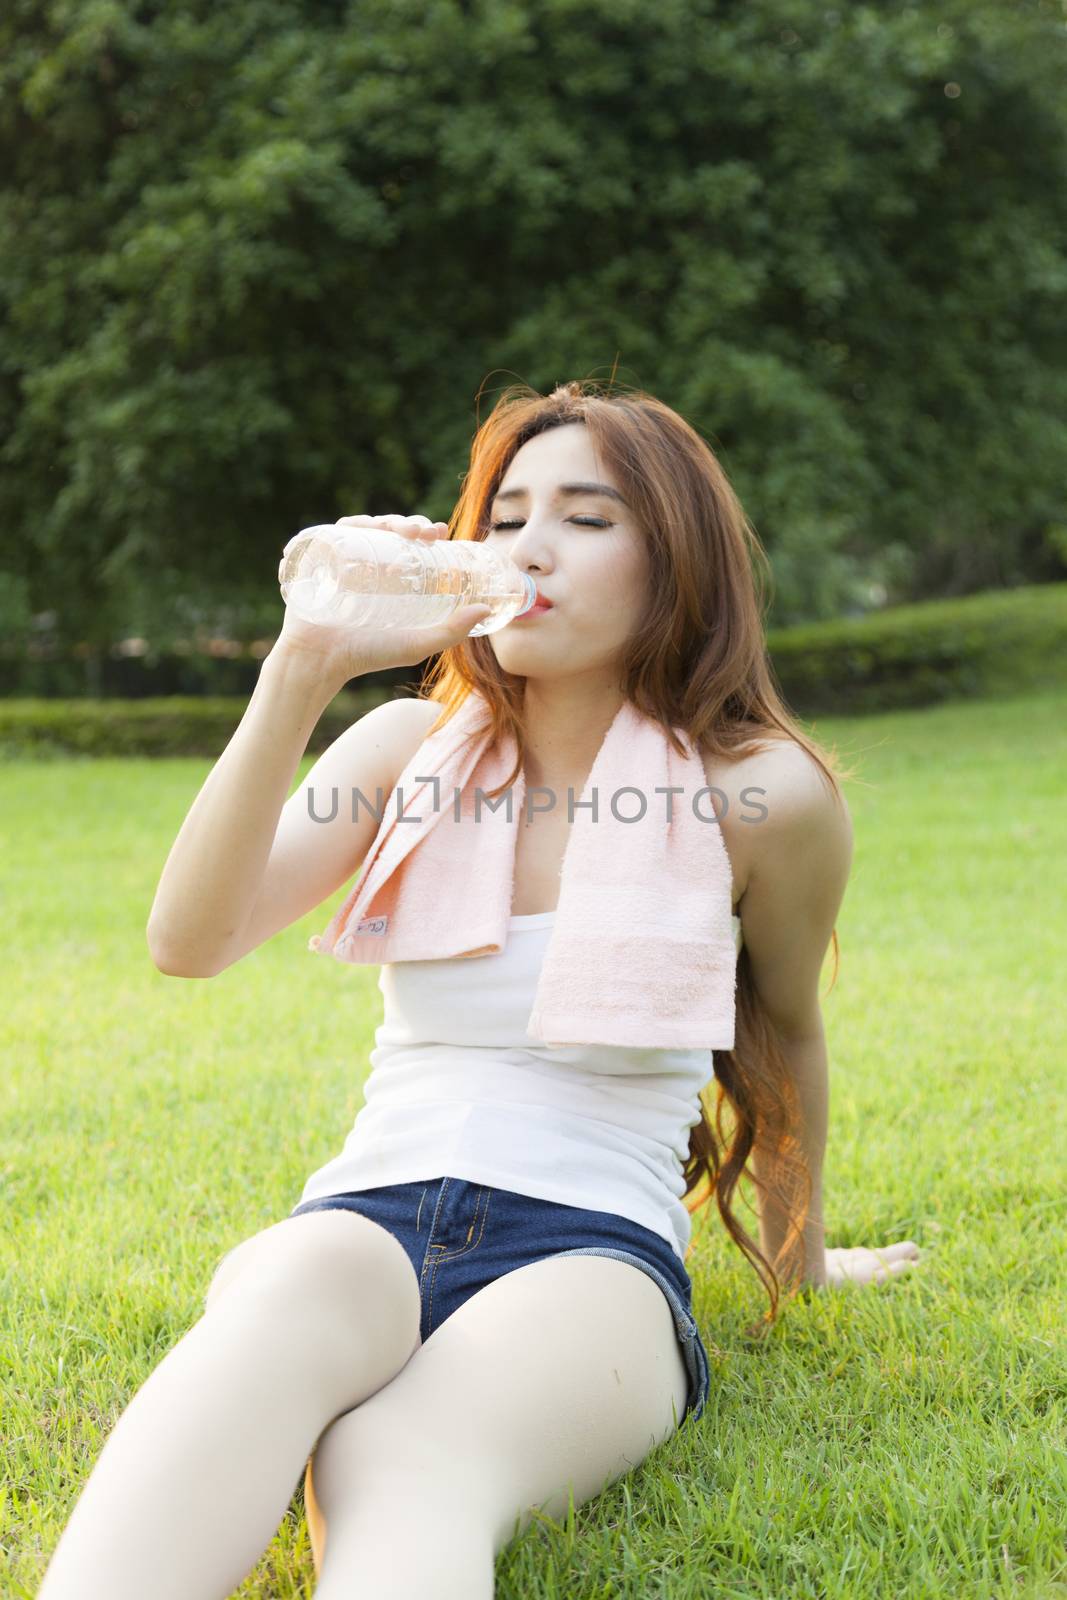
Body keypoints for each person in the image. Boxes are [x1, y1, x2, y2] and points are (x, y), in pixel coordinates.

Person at [37, 381, 922, 1600]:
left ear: (678, 566)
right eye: (505, 516)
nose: (528, 547)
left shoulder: (760, 793)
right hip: (365, 1217)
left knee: (395, 1454)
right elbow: (188, 940)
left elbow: (782, 1035)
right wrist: (305, 661)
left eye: (585, 518)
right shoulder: (404, 753)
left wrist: (801, 1257)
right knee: (258, 1321)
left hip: (589, 1250)